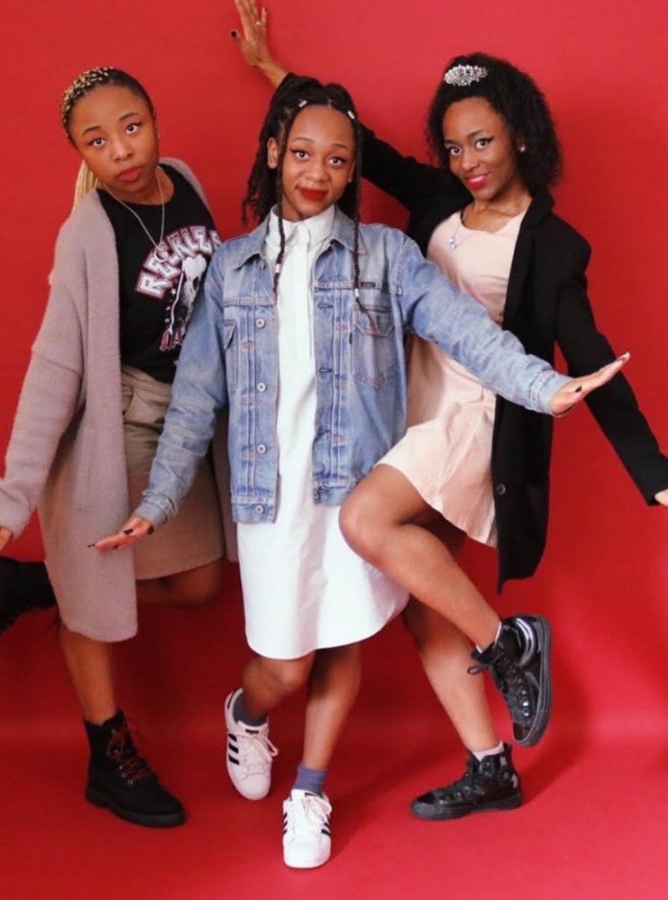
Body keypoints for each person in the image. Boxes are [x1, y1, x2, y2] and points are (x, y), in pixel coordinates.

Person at [95, 74, 624, 867]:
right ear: (274, 154)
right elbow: (196, 399)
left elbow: (467, 332)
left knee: (340, 642)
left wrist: (545, 387)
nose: (319, 171)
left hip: (350, 483)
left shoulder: (386, 255)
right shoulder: (232, 270)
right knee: (284, 667)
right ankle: (246, 714)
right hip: (268, 497)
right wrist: (160, 499)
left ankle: (309, 792)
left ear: (352, 171)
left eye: (338, 159)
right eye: (303, 153)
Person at [230, 2, 668, 821]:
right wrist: (273, 73)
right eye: (456, 145)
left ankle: (511, 642)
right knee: (430, 614)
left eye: (484, 142)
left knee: (366, 522)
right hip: (408, 408)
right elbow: (348, 138)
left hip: (477, 419)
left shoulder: (553, 244)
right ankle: (491, 765)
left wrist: (656, 476)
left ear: (522, 137)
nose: (467, 160)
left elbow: (593, 361)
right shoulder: (438, 197)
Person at [0, 67, 233, 828]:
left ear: (154, 119)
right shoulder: (87, 233)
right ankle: (108, 757)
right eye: (97, 141)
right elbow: (55, 366)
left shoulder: (184, 181)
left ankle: (27, 587)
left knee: (202, 583)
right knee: (96, 595)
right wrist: (10, 497)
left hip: (187, 421)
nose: (122, 150)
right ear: (80, 153)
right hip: (121, 423)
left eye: (131, 127)